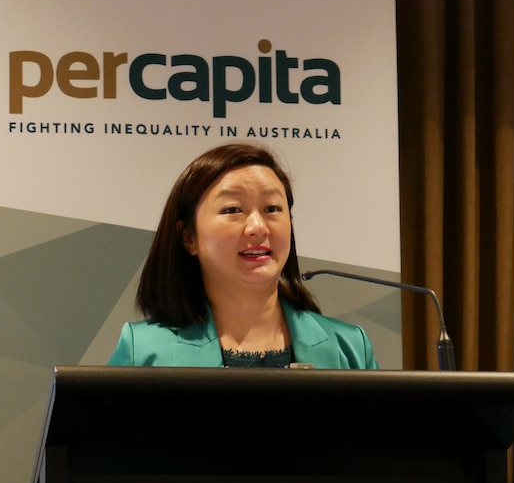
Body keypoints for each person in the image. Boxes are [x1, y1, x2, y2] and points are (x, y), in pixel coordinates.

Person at [108, 141, 378, 369]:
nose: (258, 227)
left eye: (272, 208)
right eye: (233, 210)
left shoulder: (349, 348)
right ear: (189, 238)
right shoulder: (143, 352)